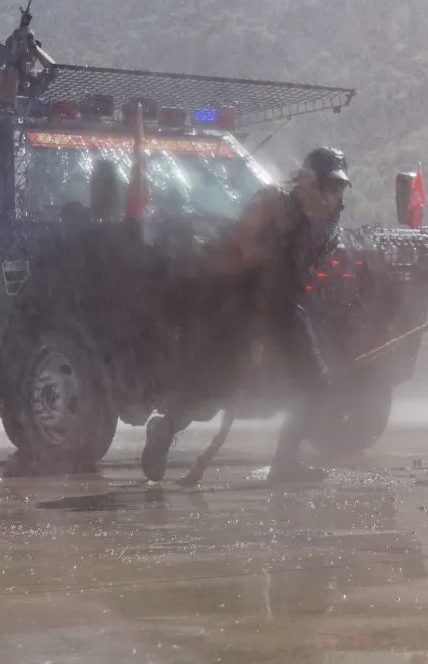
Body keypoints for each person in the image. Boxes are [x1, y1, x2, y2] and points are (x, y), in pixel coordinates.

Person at [141, 146, 350, 483]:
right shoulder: (272, 202)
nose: (331, 196)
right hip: (239, 299)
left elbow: (313, 262)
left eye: (338, 188)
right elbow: (233, 254)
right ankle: (164, 429)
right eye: (327, 186)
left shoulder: (331, 215)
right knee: (214, 386)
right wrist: (252, 319)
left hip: (285, 304)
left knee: (314, 382)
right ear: (308, 182)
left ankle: (285, 461)